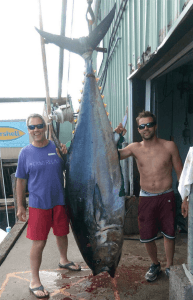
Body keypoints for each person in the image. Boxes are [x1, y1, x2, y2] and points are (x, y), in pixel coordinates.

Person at [16, 113, 81, 299]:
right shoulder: (25, 153)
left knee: (62, 233)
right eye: (32, 127)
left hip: (60, 201)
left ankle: (64, 260)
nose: (36, 130)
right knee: (39, 242)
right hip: (38, 205)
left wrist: (66, 154)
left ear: (45, 127)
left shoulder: (56, 148)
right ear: (28, 129)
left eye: (39, 126)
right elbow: (20, 181)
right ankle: (34, 280)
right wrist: (20, 206)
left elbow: (69, 168)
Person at [115, 110, 183, 282]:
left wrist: (186, 199)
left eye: (149, 124)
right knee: (146, 236)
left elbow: (180, 173)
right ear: (138, 129)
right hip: (146, 197)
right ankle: (155, 264)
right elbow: (114, 156)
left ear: (155, 126)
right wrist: (117, 138)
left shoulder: (169, 146)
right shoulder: (134, 148)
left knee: (169, 234)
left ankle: (169, 265)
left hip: (167, 195)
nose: (146, 128)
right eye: (142, 126)